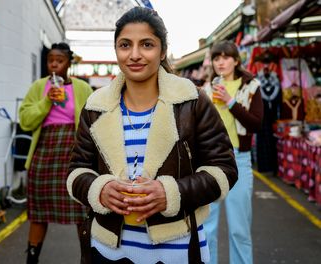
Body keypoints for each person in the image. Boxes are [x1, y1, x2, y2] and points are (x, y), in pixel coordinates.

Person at [67, 7, 238, 264]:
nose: (134, 55)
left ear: (162, 50)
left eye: (146, 44)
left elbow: (224, 170)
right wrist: (99, 190)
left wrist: (171, 193)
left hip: (178, 249)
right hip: (107, 250)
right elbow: (76, 171)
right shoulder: (95, 106)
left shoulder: (191, 100)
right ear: (116, 50)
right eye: (125, 45)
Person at [19, 42, 93, 264]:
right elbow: (25, 121)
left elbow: (93, 121)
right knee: (39, 214)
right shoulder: (38, 87)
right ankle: (32, 259)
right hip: (44, 153)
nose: (54, 64)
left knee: (80, 211)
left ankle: (86, 258)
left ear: (69, 63)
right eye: (50, 60)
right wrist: (46, 100)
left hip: (74, 153)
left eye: (59, 60)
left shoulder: (82, 88)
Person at [202, 40, 263, 264]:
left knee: (239, 228)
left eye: (225, 57)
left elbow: (256, 124)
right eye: (216, 58)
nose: (221, 62)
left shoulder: (251, 86)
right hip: (210, 160)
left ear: (236, 60)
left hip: (239, 158)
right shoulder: (207, 89)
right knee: (207, 226)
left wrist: (230, 102)